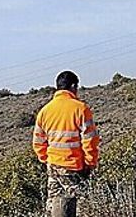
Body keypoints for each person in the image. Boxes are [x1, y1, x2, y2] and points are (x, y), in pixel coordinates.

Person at [33, 70, 100, 200]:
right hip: (74, 167)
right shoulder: (81, 109)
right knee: (81, 208)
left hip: (53, 166)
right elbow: (90, 140)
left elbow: (38, 142)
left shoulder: (45, 111)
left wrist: (47, 159)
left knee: (53, 206)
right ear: (74, 86)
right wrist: (90, 163)